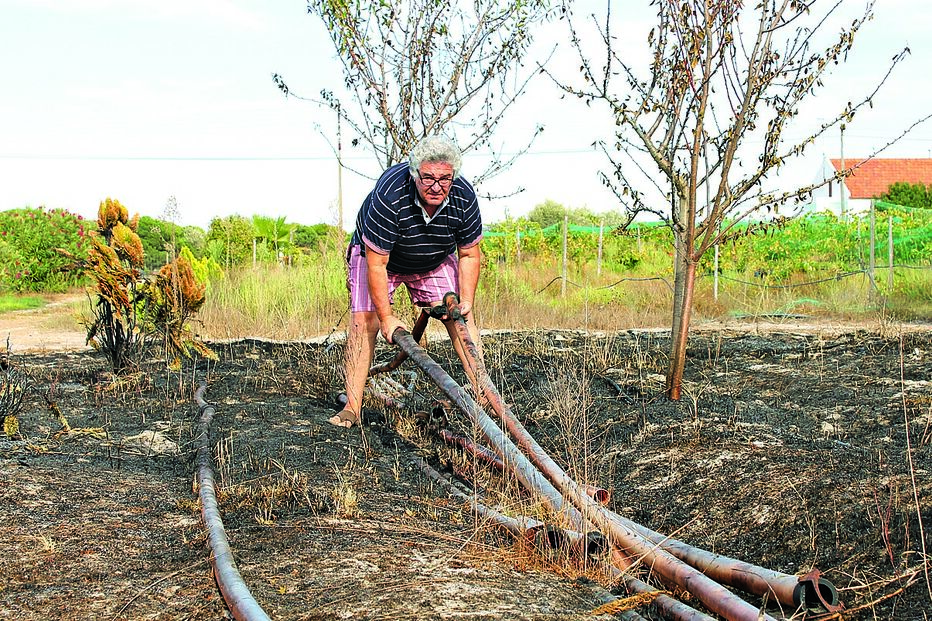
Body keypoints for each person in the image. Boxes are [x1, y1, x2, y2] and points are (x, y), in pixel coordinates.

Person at [329, 136, 483, 428]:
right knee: (365, 322)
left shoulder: (463, 196)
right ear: (415, 174)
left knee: (460, 317)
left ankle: (484, 394)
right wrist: (386, 318)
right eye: (428, 178)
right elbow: (377, 263)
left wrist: (467, 302)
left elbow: (469, 255)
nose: (436, 186)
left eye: (444, 179)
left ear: (453, 176)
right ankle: (351, 406)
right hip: (379, 259)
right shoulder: (391, 194)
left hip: (432, 260)